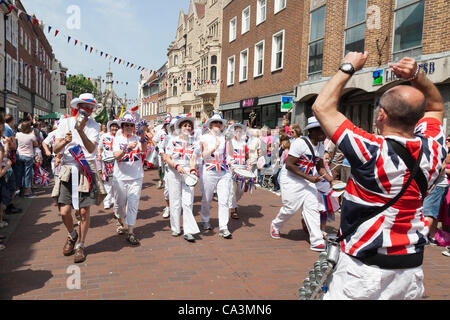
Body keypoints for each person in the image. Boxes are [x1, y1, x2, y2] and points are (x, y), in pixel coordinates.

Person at [313, 52, 446, 300]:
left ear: (381, 115)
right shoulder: (434, 150)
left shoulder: (370, 150)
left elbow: (322, 107)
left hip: (363, 271)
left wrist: (348, 66)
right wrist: (418, 76)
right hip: (409, 270)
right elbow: (437, 106)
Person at [52, 93, 104, 264]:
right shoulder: (65, 122)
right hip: (68, 169)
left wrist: (81, 132)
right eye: (85, 107)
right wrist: (65, 142)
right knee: (64, 211)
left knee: (83, 211)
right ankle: (72, 234)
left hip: (85, 168)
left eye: (91, 108)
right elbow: (55, 148)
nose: (88, 110)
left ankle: (80, 244)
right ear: (78, 106)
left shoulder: (94, 126)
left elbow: (90, 150)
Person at [270, 117, 333, 252]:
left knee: (313, 208)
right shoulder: (300, 143)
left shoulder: (321, 146)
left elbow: (320, 166)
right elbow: (289, 165)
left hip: (307, 180)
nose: (325, 133)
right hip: (291, 179)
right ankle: (275, 225)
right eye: (322, 130)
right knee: (290, 208)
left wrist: (331, 180)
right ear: (313, 131)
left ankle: (316, 241)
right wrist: (309, 177)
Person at [112, 111, 146, 246]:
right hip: (120, 177)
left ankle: (131, 231)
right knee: (119, 203)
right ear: (122, 126)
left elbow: (144, 150)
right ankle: (119, 220)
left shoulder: (137, 138)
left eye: (131, 125)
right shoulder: (117, 138)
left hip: (136, 176)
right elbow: (116, 156)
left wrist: (143, 134)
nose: (129, 127)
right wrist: (126, 148)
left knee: (133, 204)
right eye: (126, 125)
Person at [164, 115, 201, 242]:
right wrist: (176, 165)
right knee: (175, 201)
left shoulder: (194, 142)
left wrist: (192, 171)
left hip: (187, 174)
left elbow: (193, 159)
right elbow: (167, 158)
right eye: (185, 125)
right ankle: (175, 227)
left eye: (189, 125)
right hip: (174, 172)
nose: (187, 127)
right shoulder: (172, 140)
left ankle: (188, 230)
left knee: (188, 201)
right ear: (180, 127)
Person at [200, 113, 233, 239]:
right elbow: (203, 155)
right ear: (210, 124)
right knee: (207, 198)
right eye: (215, 123)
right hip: (209, 170)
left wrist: (232, 162)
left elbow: (229, 155)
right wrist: (214, 147)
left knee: (224, 199)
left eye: (220, 123)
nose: (218, 125)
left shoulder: (226, 139)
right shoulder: (204, 138)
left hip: (224, 172)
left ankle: (223, 227)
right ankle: (205, 219)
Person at [227, 123, 249, 220]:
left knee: (240, 191)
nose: (239, 133)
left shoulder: (244, 143)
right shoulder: (229, 142)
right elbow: (227, 155)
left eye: (240, 131)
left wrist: (248, 163)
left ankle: (233, 203)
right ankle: (233, 209)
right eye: (237, 131)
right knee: (232, 189)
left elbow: (247, 155)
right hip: (232, 169)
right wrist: (231, 164)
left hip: (242, 169)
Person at [97, 120, 119, 211]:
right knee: (107, 182)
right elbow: (100, 147)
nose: (115, 128)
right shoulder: (104, 136)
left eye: (116, 127)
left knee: (116, 181)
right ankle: (106, 201)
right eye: (113, 126)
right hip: (106, 162)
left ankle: (114, 199)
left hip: (118, 162)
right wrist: (99, 154)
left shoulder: (120, 137)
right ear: (110, 127)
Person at [16, 121, 39, 198]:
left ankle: (17, 190)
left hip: (19, 155)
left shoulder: (18, 134)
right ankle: (27, 192)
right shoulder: (31, 136)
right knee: (27, 174)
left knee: (19, 173)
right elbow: (36, 144)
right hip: (28, 156)